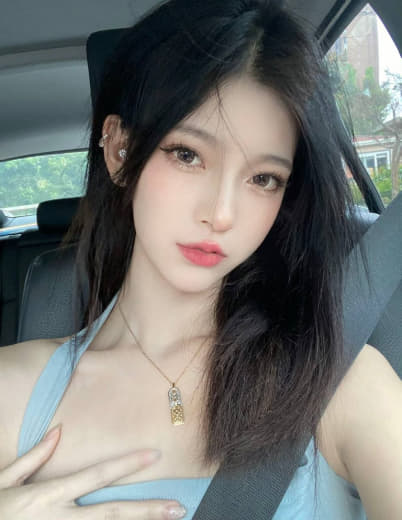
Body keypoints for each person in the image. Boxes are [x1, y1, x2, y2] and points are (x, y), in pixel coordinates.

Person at [0, 0, 401, 519]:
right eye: (188, 154)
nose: (222, 213)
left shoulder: (337, 379)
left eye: (263, 178)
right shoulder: (11, 390)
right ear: (119, 151)